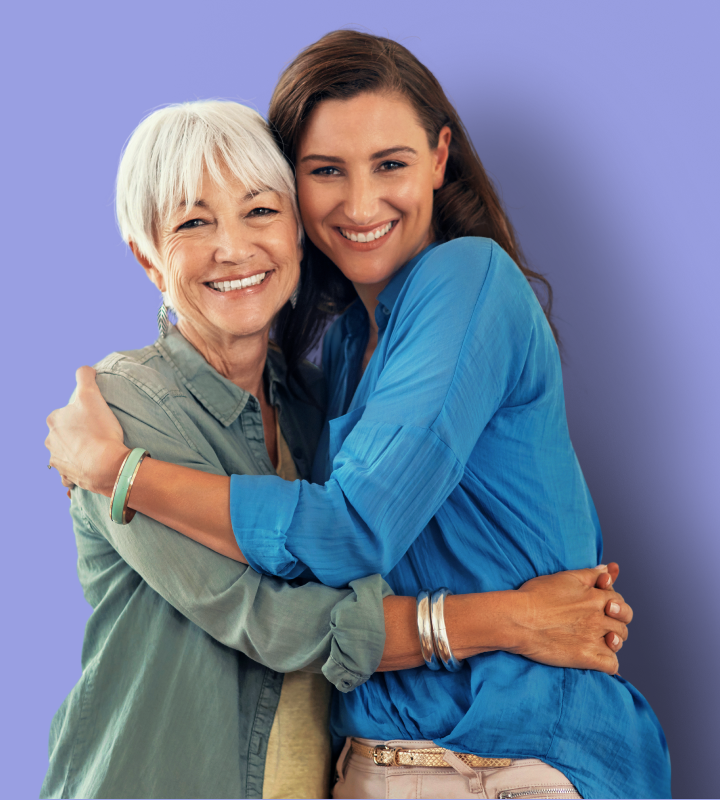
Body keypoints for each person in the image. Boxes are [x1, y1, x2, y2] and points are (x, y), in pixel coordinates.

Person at [43, 99, 631, 800]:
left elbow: (351, 556)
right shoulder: (123, 411)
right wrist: (511, 620)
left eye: (259, 211)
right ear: (148, 258)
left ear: (296, 231)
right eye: (193, 222)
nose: (233, 247)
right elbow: (273, 618)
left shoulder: (313, 405)